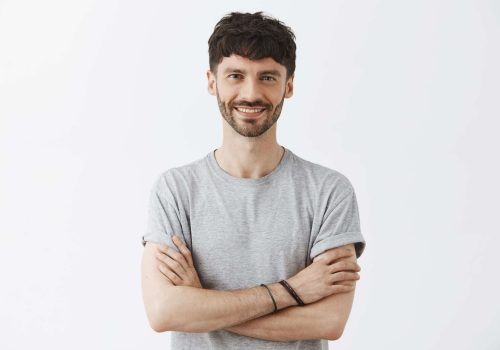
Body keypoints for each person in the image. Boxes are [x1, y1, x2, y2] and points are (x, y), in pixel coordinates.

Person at [141, 11, 366, 350]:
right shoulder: (175, 190)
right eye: (235, 75)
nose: (251, 93)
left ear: (289, 85)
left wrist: (202, 302)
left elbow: (329, 321)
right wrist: (291, 292)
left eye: (268, 78)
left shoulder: (329, 191)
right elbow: (164, 311)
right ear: (211, 81)